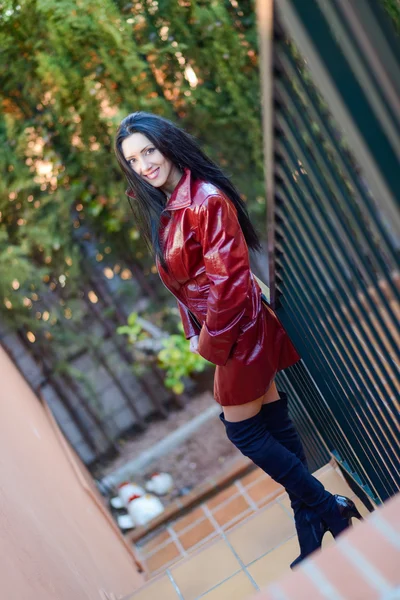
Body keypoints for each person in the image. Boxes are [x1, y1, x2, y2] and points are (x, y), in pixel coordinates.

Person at [114, 111, 362, 567]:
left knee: (243, 430)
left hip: (239, 330)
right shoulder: (169, 208)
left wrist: (209, 344)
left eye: (148, 150)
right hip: (230, 332)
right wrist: (194, 332)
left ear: (166, 144)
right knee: (273, 421)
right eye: (133, 159)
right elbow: (185, 284)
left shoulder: (204, 200)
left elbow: (228, 284)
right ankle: (312, 524)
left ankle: (329, 507)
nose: (144, 164)